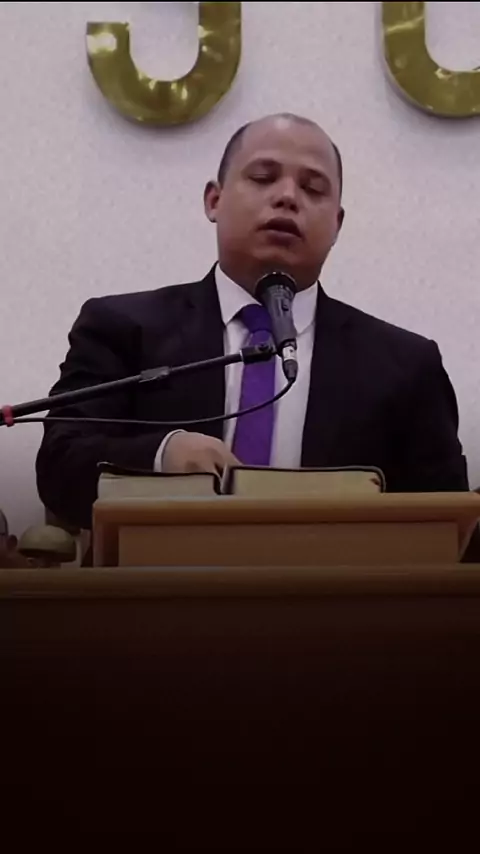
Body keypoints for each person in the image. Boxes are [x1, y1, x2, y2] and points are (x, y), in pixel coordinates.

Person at [36, 112, 473, 535]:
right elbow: (59, 467)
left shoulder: (404, 364)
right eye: (263, 178)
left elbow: (447, 523)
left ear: (337, 224)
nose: (287, 197)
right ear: (214, 200)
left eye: (313, 188)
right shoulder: (123, 329)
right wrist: (161, 455)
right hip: (159, 582)